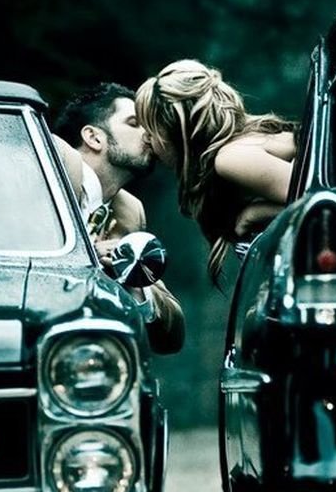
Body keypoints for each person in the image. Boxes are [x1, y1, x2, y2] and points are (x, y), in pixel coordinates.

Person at [135, 59, 298, 284]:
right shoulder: (232, 151)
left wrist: (253, 214)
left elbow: (320, 198)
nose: (146, 138)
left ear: (176, 131)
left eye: (151, 129)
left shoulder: (230, 158)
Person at [54, 82, 185, 355]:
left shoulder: (129, 213)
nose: (149, 134)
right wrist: (87, 255)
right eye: (134, 123)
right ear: (93, 137)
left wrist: (132, 284)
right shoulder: (49, 172)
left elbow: (171, 336)